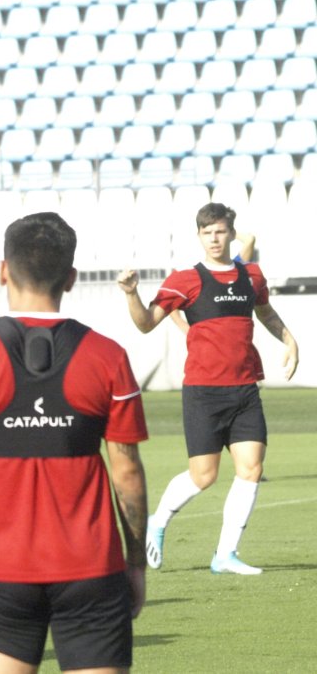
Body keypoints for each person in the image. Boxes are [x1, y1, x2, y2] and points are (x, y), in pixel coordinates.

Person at [0, 212, 149, 673]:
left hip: (0, 574)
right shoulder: (109, 357)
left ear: (3, 270)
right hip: (92, 571)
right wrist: (136, 562)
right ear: (71, 277)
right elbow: (126, 472)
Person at [117, 203, 299, 575]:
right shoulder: (185, 280)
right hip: (203, 391)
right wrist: (132, 294)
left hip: (245, 389)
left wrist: (289, 339)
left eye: (219, 231)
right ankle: (158, 521)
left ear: (232, 234)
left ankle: (225, 555)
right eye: (206, 232)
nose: (214, 238)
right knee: (204, 476)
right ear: (199, 236)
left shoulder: (252, 275)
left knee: (251, 468)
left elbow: (265, 312)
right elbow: (146, 324)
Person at [168, 230, 257, 335]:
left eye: (221, 231)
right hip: (207, 344)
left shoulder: (236, 267)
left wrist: (226, 229)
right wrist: (186, 329)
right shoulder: (193, 275)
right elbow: (171, 303)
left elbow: (250, 240)